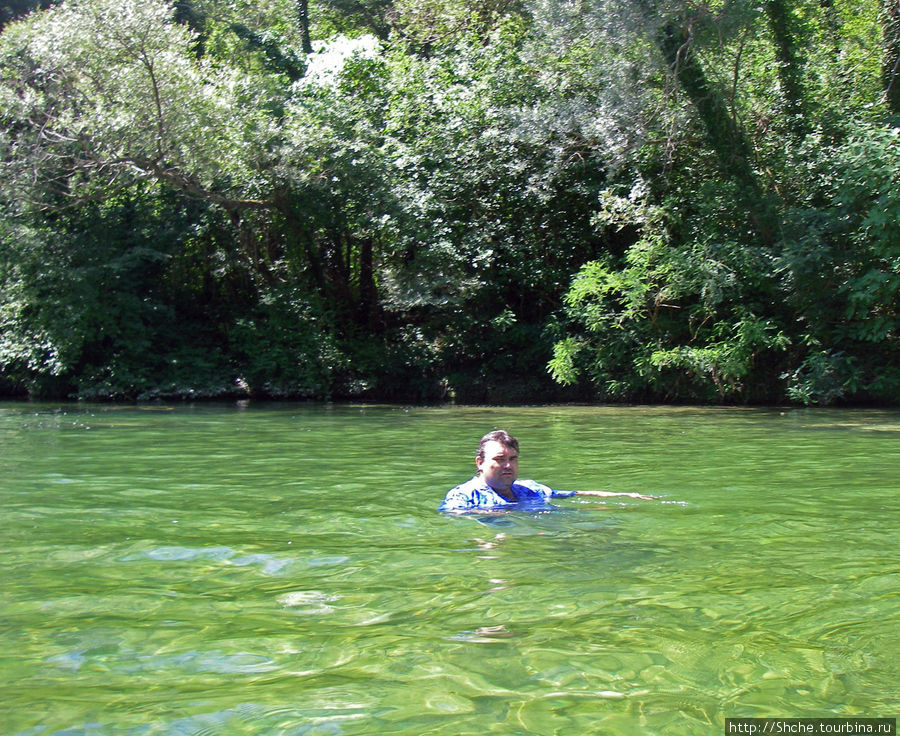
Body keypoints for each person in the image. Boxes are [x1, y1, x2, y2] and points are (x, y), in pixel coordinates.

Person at [439, 429, 654, 512]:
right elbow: (454, 518)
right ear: (479, 463)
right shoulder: (463, 496)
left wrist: (625, 496)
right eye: (499, 459)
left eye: (513, 459)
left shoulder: (528, 489)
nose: (508, 465)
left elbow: (573, 494)